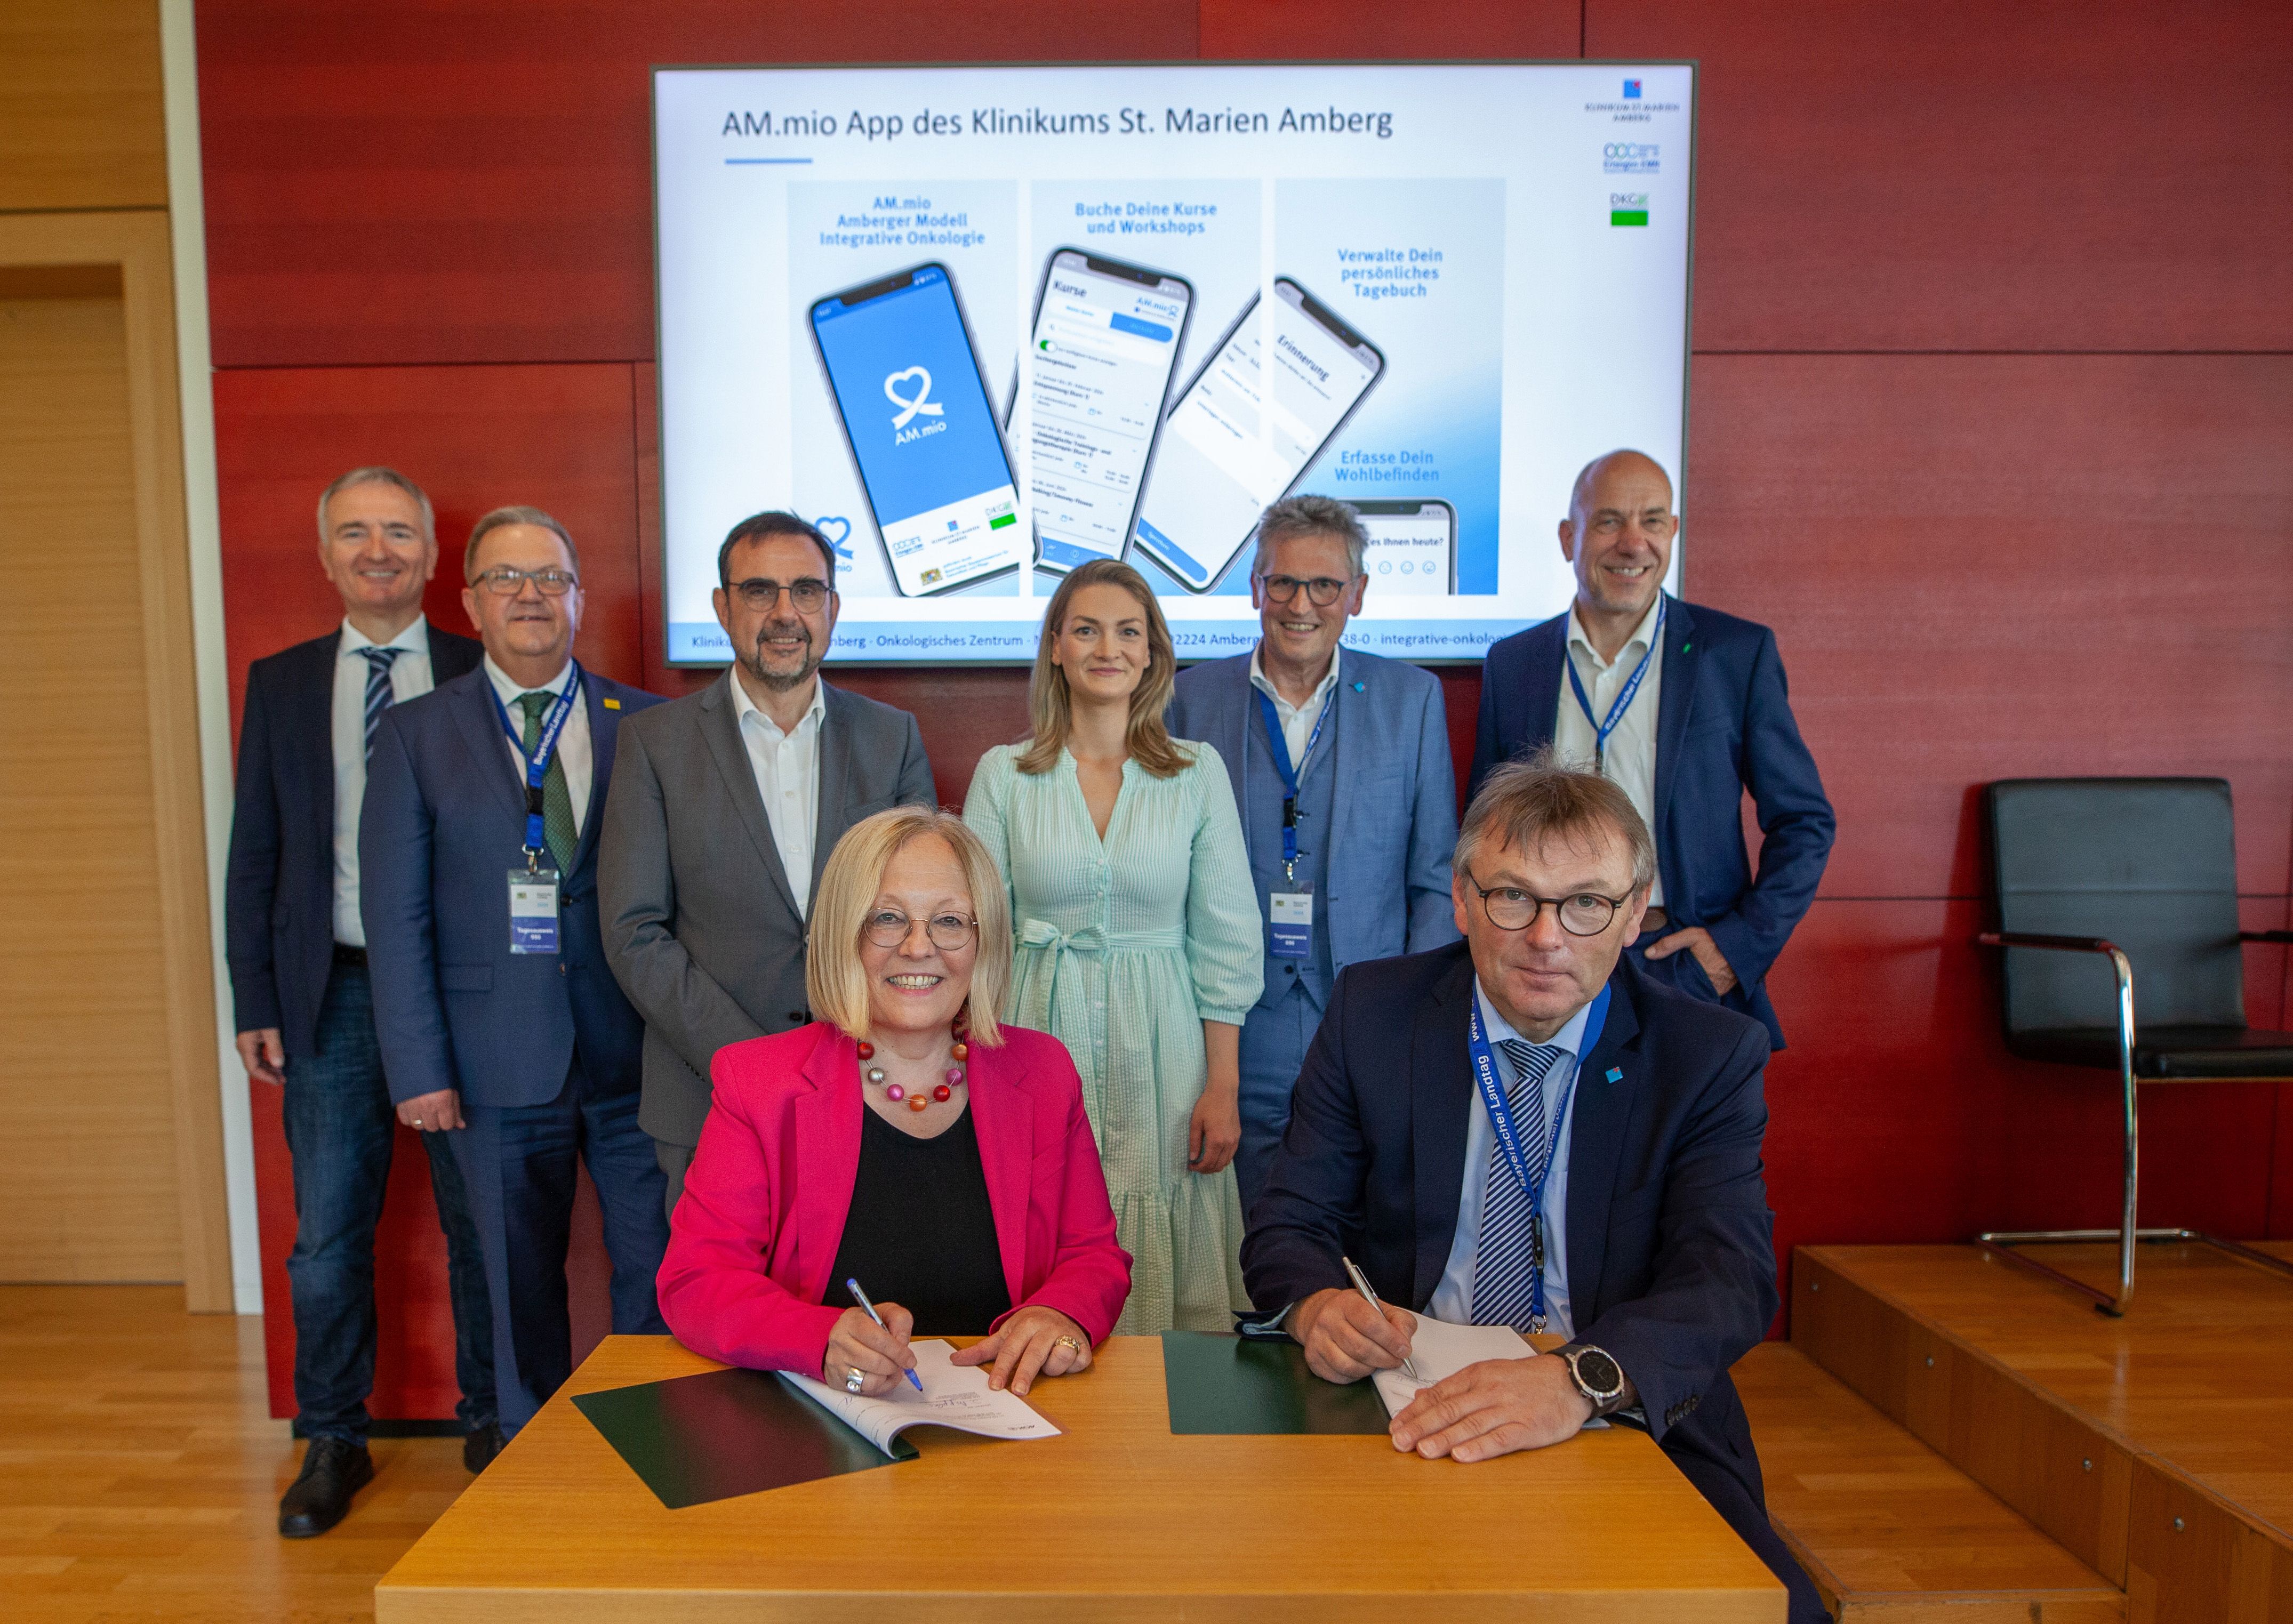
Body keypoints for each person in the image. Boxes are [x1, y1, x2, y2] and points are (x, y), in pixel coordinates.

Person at [1241, 751, 1824, 1623]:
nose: (1548, 937)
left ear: (1633, 915)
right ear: (1465, 898)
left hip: (1617, 1400)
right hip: (1405, 1395)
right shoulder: (1375, 1010)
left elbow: (1729, 1281)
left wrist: (1576, 1379)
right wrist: (1316, 1302)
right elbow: (1290, 1219)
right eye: (1514, 896)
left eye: (1586, 902)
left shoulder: (1704, 1054)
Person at [222, 466, 499, 1538]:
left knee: (483, 1224)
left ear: (435, 558)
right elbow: (258, 853)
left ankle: (493, 1423)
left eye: (398, 532)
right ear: (326, 552)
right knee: (329, 1234)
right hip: (331, 990)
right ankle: (330, 1436)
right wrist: (256, 989)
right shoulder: (283, 683)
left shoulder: (484, 671)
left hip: (463, 988)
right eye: (354, 532)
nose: (376, 549)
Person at [362, 505, 671, 1436]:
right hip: (493, 1064)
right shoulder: (418, 733)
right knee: (513, 1280)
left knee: (655, 1267)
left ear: (579, 597)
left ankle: (656, 1440)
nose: (529, 595)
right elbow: (396, 913)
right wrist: (419, 1070)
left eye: (549, 577)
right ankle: (526, 1471)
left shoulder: (647, 724)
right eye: (505, 578)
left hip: (634, 1059)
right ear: (470, 601)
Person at [658, 807, 1131, 1394]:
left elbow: (1092, 1255)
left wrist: (1062, 1314)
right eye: (888, 918)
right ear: (843, 932)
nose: (918, 947)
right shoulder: (758, 1081)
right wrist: (821, 1337)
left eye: (950, 921)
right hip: (820, 1421)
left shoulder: (1043, 1071)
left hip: (1009, 1417)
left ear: (983, 941)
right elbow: (697, 1281)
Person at [601, 512, 935, 1219]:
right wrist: (751, 1061)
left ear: (832, 608)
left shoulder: (891, 738)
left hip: (870, 1087)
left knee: (860, 1320)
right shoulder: (653, 744)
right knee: (714, 1321)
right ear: (722, 608)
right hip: (709, 1095)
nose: (786, 613)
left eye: (806, 590)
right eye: (760, 591)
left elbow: (921, 922)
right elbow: (634, 931)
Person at [963, 560, 1261, 1334]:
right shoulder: (1004, 774)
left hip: (1164, 1046)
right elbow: (977, 935)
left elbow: (1226, 939)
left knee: (1159, 1205)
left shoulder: (1197, 774)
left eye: (1129, 631)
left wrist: (1222, 1083)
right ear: (1056, 646)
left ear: (1153, 653)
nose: (1108, 646)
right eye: (1087, 628)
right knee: (1044, 1207)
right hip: (1033, 1035)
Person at [1470, 451, 1832, 1048]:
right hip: (1545, 960)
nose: (1633, 543)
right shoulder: (1516, 664)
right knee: (1551, 1141)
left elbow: (1805, 822)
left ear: (1674, 532)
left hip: (1681, 965)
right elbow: (1483, 827)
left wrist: (1732, 950)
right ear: (1569, 538)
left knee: (1689, 1144)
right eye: (1609, 521)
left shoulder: (1734, 655)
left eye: (1653, 521)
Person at [1167, 496, 1459, 1210]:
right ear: (1255, 589)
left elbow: (1433, 881)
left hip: (1366, 1018)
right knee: (1239, 1232)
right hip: (1232, 1027)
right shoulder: (1189, 698)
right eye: (1283, 583)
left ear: (1356, 593)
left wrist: (1414, 1021)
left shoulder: (1412, 699)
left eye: (1325, 584)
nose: (1302, 604)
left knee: (1357, 1226)